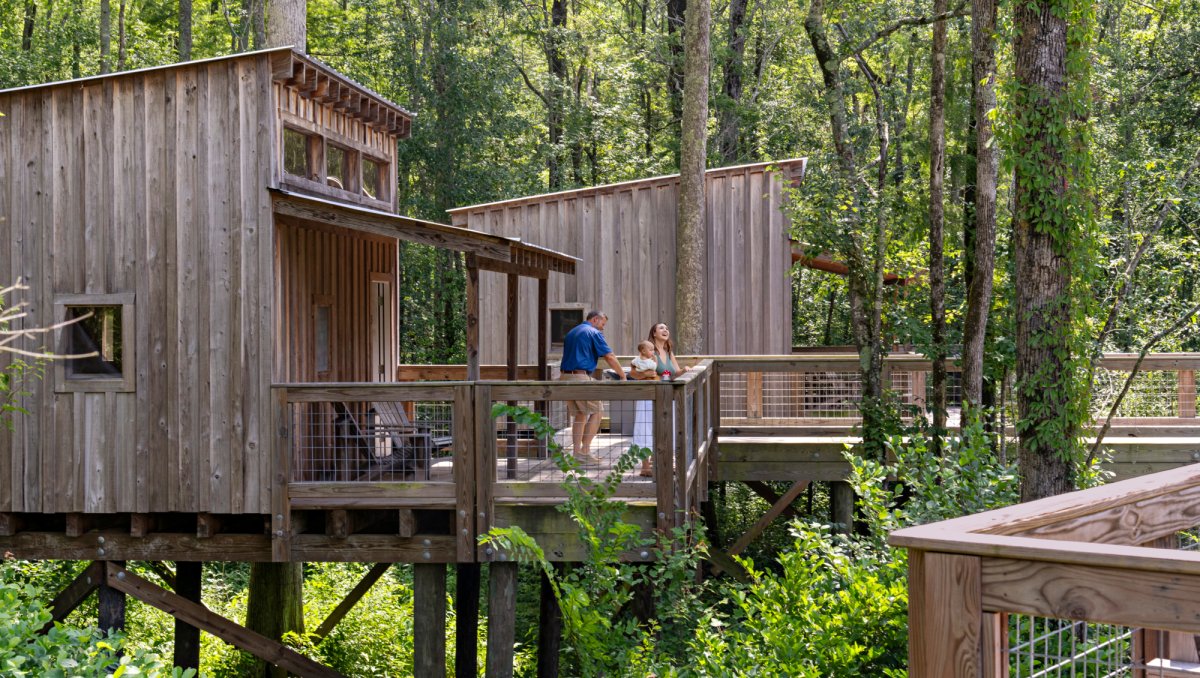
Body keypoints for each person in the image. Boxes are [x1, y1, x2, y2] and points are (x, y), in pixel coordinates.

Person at [559, 310, 626, 464]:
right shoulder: (593, 332)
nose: (602, 328)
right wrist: (622, 375)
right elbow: (609, 356)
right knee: (598, 411)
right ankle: (585, 451)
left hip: (566, 377)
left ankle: (577, 453)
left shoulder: (572, 332)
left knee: (580, 415)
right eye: (602, 324)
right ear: (595, 319)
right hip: (580, 377)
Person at [631, 323, 689, 477]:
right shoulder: (649, 351)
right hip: (649, 394)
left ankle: (662, 463)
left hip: (666, 395)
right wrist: (649, 374)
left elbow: (675, 373)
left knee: (666, 427)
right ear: (654, 333)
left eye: (667, 328)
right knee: (646, 428)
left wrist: (685, 371)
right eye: (661, 328)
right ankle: (645, 467)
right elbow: (636, 371)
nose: (665, 330)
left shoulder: (669, 352)